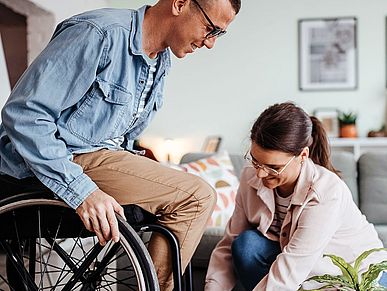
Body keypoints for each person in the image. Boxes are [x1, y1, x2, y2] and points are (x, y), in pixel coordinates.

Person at [0, 0, 241, 289]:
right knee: (197, 196)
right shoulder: (99, 34)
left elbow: (119, 141)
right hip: (56, 160)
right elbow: (24, 114)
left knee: (184, 193)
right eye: (211, 29)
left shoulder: (159, 60)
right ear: (180, 4)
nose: (211, 43)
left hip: (101, 157)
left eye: (219, 34)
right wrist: (83, 191)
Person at [205, 102, 387, 291]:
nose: (260, 174)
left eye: (273, 168)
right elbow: (229, 243)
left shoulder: (326, 191)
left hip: (354, 279)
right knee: (246, 244)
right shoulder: (250, 175)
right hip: (303, 270)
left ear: (302, 155)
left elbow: (292, 266)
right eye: (256, 161)